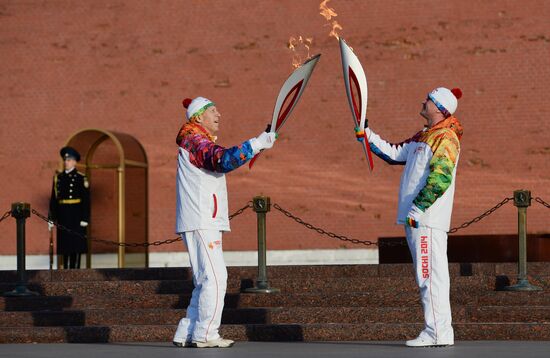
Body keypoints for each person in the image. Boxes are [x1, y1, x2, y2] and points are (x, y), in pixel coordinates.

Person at [173, 96, 277, 348]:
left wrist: (259, 144)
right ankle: (206, 334)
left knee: (204, 279)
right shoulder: (196, 141)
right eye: (213, 111)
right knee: (216, 277)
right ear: (199, 117)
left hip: (201, 218)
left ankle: (187, 331)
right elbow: (222, 160)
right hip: (201, 218)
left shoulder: (195, 139)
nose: (219, 114)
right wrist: (256, 143)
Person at [365, 87, 463, 347]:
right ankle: (440, 331)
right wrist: (366, 134)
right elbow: (394, 152)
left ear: (439, 108)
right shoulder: (423, 136)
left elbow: (441, 177)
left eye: (429, 99)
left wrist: (418, 209)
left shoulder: (446, 137)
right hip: (417, 219)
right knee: (432, 275)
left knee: (429, 275)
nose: (423, 101)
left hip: (426, 219)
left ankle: (436, 332)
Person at [48, 146, 90, 269]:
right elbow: (54, 199)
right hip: (63, 215)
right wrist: (52, 217)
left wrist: (85, 218)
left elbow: (86, 200)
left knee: (76, 245)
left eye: (69, 160)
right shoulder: (58, 178)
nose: (66, 162)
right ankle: (64, 269)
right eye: (65, 160)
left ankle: (75, 270)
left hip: (76, 216)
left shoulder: (81, 178)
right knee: (64, 245)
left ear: (75, 162)